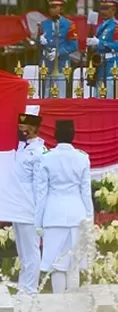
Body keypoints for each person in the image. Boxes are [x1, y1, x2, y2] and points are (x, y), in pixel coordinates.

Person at [35, 119, 93, 294]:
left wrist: (38, 222)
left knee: (57, 265)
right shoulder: (82, 158)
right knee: (74, 263)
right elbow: (86, 193)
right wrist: (89, 219)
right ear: (73, 135)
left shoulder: (46, 158)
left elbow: (41, 194)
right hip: (77, 214)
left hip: (54, 215)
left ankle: (58, 306)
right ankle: (72, 309)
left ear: (55, 135)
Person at [13, 113, 47, 295]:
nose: (21, 130)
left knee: (31, 250)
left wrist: (39, 213)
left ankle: (30, 289)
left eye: (23, 128)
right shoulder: (22, 149)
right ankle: (23, 288)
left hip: (30, 207)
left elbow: (40, 186)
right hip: (17, 206)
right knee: (23, 252)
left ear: (33, 129)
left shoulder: (40, 153)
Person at [39, 0, 77, 98]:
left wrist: (58, 52)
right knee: (46, 94)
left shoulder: (69, 24)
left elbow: (74, 45)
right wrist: (42, 42)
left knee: (60, 94)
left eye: (55, 7)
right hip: (47, 64)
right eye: (50, 7)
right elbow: (40, 45)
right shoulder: (44, 24)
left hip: (61, 64)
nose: (52, 10)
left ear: (61, 8)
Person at [87, 0, 118, 95]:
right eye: (101, 8)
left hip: (111, 67)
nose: (103, 12)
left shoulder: (115, 26)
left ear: (113, 10)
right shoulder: (99, 27)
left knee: (109, 98)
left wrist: (99, 43)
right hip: (99, 67)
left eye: (106, 8)